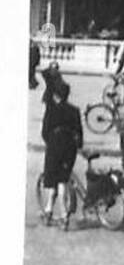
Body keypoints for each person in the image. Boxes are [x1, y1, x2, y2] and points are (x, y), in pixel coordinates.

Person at [40, 82, 82, 228]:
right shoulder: (74, 111)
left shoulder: (51, 110)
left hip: (54, 147)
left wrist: (50, 143)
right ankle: (56, 213)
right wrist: (77, 146)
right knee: (63, 181)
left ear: (56, 95)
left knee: (52, 180)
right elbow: (79, 134)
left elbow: (44, 132)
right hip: (69, 149)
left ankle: (56, 213)